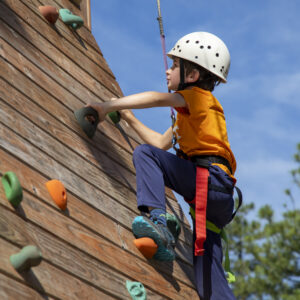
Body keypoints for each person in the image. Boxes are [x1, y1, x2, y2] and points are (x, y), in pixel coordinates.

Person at [88, 32, 238, 300]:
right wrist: (130, 120)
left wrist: (106, 106)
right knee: (208, 276)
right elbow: (160, 143)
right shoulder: (195, 116)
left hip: (207, 181)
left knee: (144, 155)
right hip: (217, 198)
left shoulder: (197, 97)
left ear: (191, 76)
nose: (168, 71)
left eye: (174, 66)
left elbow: (157, 100)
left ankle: (157, 222)